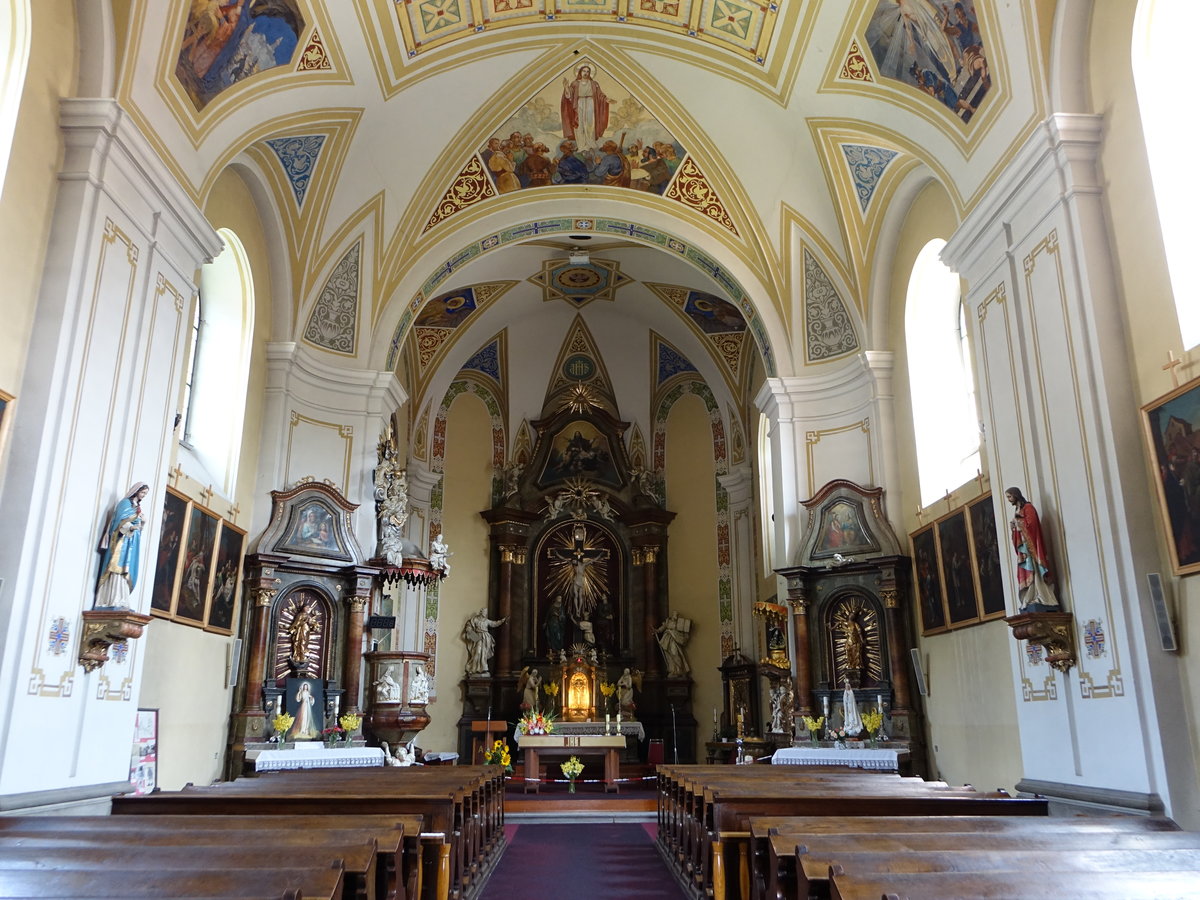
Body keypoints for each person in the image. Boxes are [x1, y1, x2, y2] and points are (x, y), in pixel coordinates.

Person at [95, 482, 150, 608]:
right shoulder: (125, 503)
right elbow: (118, 523)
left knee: (126, 569)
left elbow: (138, 528)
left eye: (145, 494)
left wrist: (142, 524)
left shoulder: (137, 508)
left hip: (131, 543)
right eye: (142, 492)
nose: (143, 496)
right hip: (121, 542)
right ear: (136, 491)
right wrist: (131, 527)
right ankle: (112, 598)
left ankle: (122, 598)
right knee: (117, 568)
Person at [1006, 487, 1061, 611]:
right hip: (1024, 549)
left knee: (1035, 570)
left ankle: (1041, 595)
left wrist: (1018, 523)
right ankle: (1030, 597)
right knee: (1026, 570)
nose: (1009, 500)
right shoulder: (1018, 509)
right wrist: (1014, 527)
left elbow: (1032, 525)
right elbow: (1019, 529)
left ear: (1016, 495)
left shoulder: (1028, 508)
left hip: (1032, 549)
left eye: (1010, 497)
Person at [561, 64, 609, 152]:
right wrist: (566, 87)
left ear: (590, 73)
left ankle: (591, 144)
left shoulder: (594, 84)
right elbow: (569, 96)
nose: (586, 73)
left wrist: (606, 99)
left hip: (591, 104)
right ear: (580, 72)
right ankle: (581, 146)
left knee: (590, 124)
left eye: (588, 71)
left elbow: (600, 95)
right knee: (579, 125)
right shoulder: (575, 83)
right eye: (584, 71)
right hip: (579, 104)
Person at [462, 608, 506, 675]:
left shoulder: (486, 621)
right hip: (478, 637)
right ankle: (473, 668)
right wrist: (469, 630)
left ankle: (484, 668)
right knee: (477, 652)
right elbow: (469, 625)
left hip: (486, 638)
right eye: (485, 612)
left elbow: (494, 624)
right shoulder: (475, 620)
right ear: (481, 612)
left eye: (486, 612)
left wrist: (502, 621)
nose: (485, 613)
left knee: (484, 653)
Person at [655, 610, 692, 677]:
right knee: (669, 656)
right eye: (674, 615)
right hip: (667, 640)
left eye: (676, 615)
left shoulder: (679, 623)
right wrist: (657, 631)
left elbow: (684, 631)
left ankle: (680, 670)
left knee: (675, 654)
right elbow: (662, 628)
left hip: (675, 640)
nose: (675, 616)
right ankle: (673, 670)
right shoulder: (668, 621)